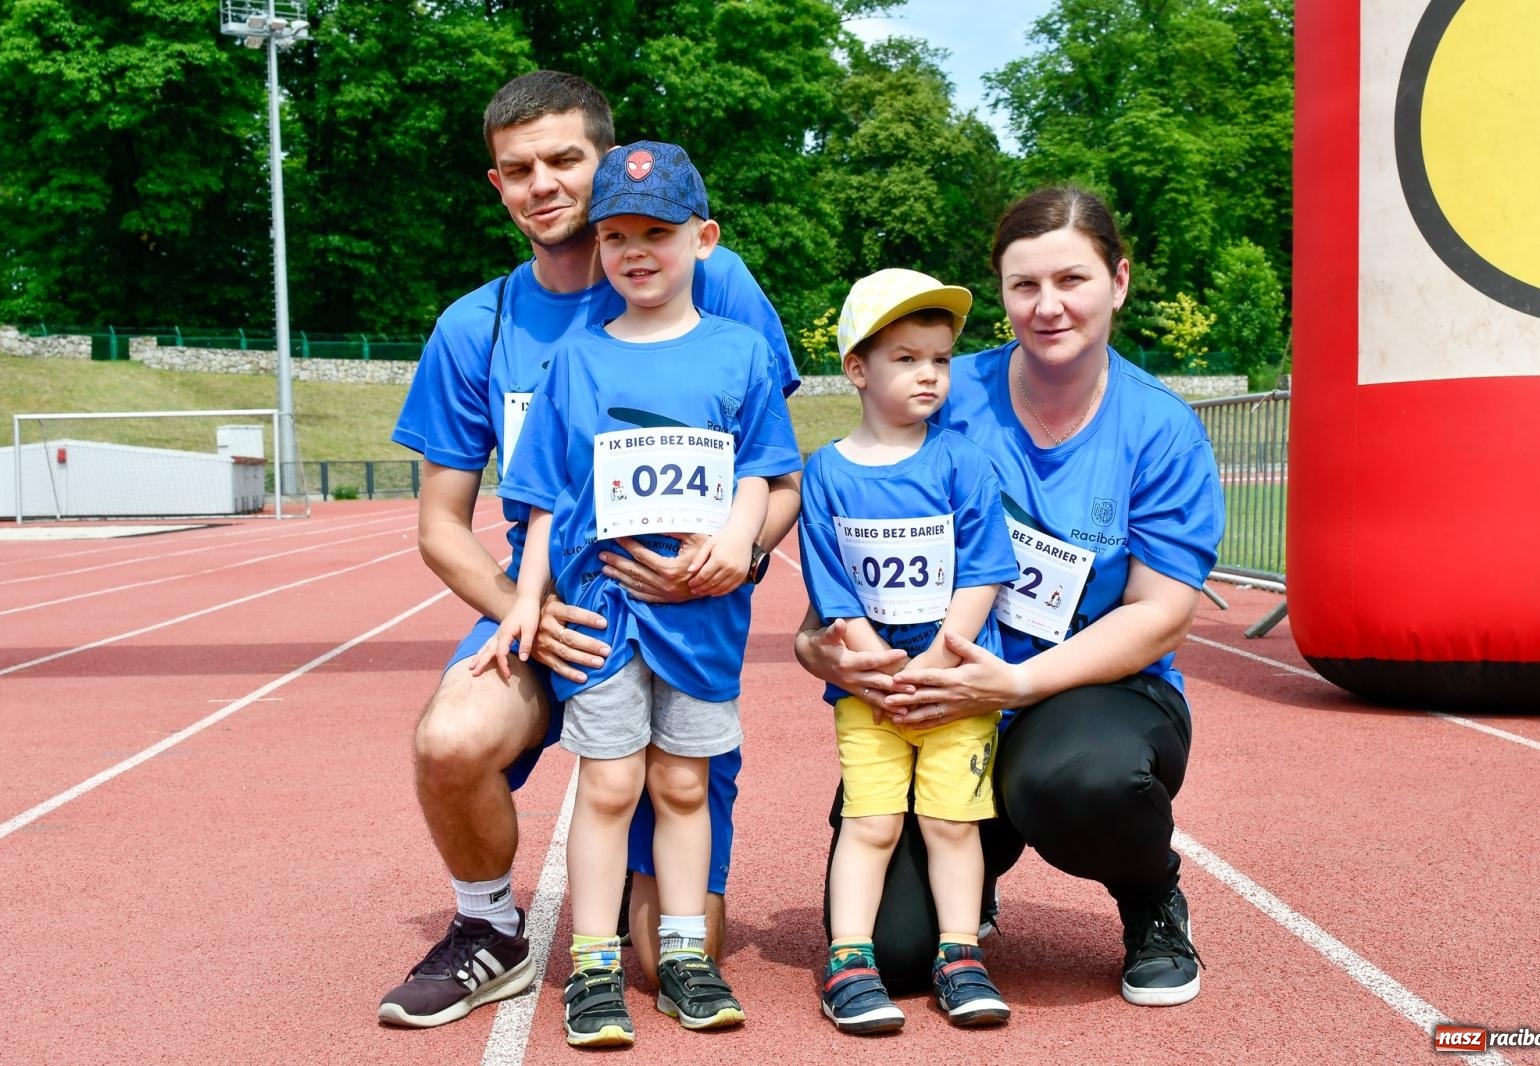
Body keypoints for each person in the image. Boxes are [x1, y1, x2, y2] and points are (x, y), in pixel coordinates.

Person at [381, 72, 798, 1031]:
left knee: (668, 956)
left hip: (684, 620)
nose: (542, 184)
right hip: (560, 615)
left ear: (606, 164)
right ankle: (488, 929)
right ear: (496, 185)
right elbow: (443, 523)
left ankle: (653, 937)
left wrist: (743, 556)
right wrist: (522, 609)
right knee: (449, 738)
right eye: (518, 169)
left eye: (565, 160)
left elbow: (778, 474)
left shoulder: (707, 279)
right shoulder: (473, 327)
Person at [795, 186, 1225, 1007]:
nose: (1048, 306)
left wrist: (1021, 684)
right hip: (941, 698)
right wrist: (822, 642)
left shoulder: (1161, 429)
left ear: (1120, 282)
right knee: (892, 953)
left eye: (1073, 280)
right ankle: (971, 882)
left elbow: (1161, 610)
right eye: (1024, 285)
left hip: (1090, 695)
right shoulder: (943, 396)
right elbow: (859, 534)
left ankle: (1151, 896)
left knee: (1080, 782)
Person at [798, 270, 1018, 1034]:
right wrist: (879, 670)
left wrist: (934, 666)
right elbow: (833, 592)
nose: (930, 373)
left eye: (941, 359)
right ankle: (849, 961)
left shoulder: (960, 461)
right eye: (907, 357)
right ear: (857, 368)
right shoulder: (824, 473)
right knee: (872, 823)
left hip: (953, 687)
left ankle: (961, 956)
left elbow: (985, 568)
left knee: (954, 825)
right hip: (871, 694)